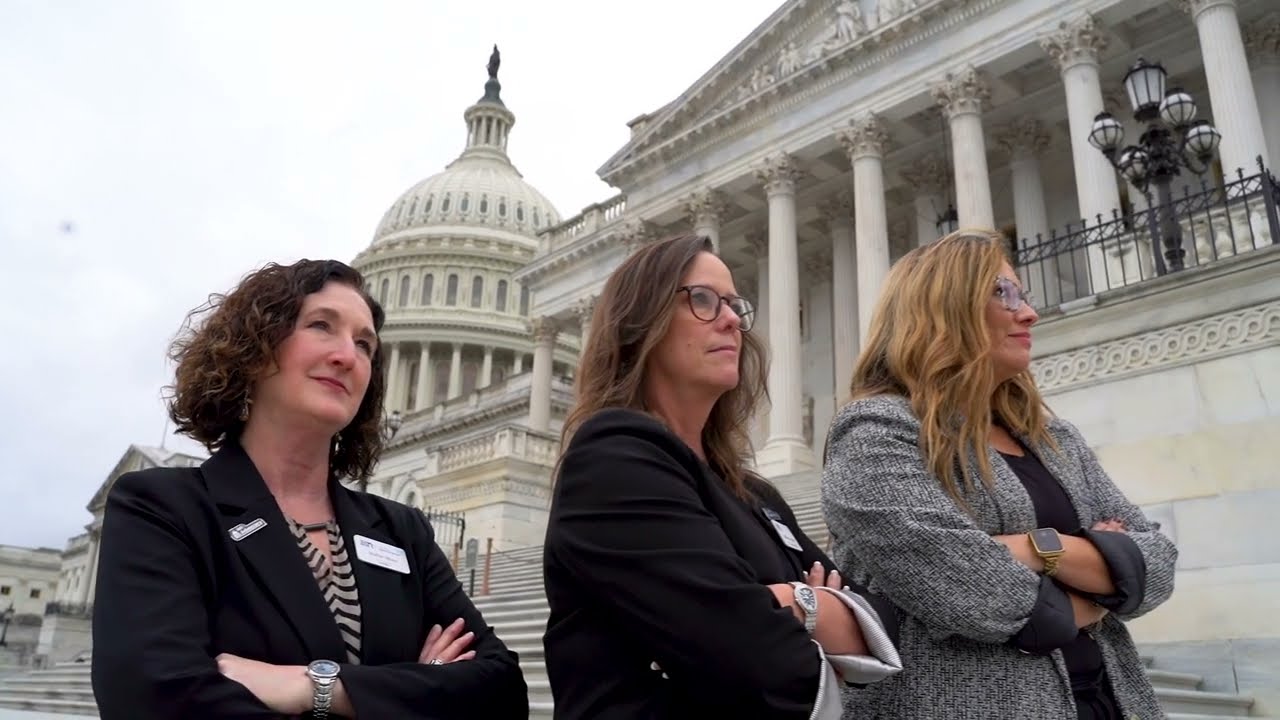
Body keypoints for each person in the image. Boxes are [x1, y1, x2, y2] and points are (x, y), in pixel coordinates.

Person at [91, 259, 528, 719]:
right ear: (255, 349)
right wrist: (420, 689)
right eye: (321, 326)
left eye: (364, 344)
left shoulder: (401, 531)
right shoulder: (164, 509)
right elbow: (156, 699)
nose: (347, 355)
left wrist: (318, 687)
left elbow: (502, 691)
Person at [541, 234, 902, 719]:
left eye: (734, 304)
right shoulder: (612, 459)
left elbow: (882, 620)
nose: (732, 320)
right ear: (640, 321)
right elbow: (757, 657)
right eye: (704, 301)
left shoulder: (755, 493)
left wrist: (786, 603)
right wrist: (814, 604)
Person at [821, 230, 1178, 719]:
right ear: (943, 308)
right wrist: (1093, 585)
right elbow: (967, 589)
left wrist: (1031, 547)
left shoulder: (1055, 438)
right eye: (1002, 293)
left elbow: (1155, 564)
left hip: (1109, 700)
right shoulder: (875, 432)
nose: (1028, 312)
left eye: (1022, 294)